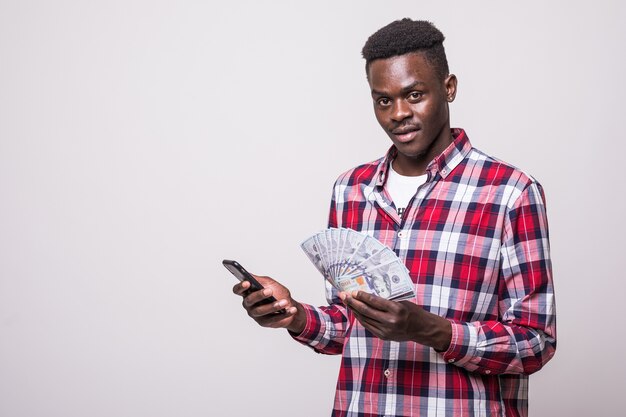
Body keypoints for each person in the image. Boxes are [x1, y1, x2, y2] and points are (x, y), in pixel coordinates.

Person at [233, 18, 556, 417]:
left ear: (449, 88)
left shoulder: (510, 192)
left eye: (414, 94)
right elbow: (348, 330)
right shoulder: (350, 190)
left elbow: (536, 342)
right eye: (383, 100)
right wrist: (294, 314)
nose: (398, 113)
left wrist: (432, 331)